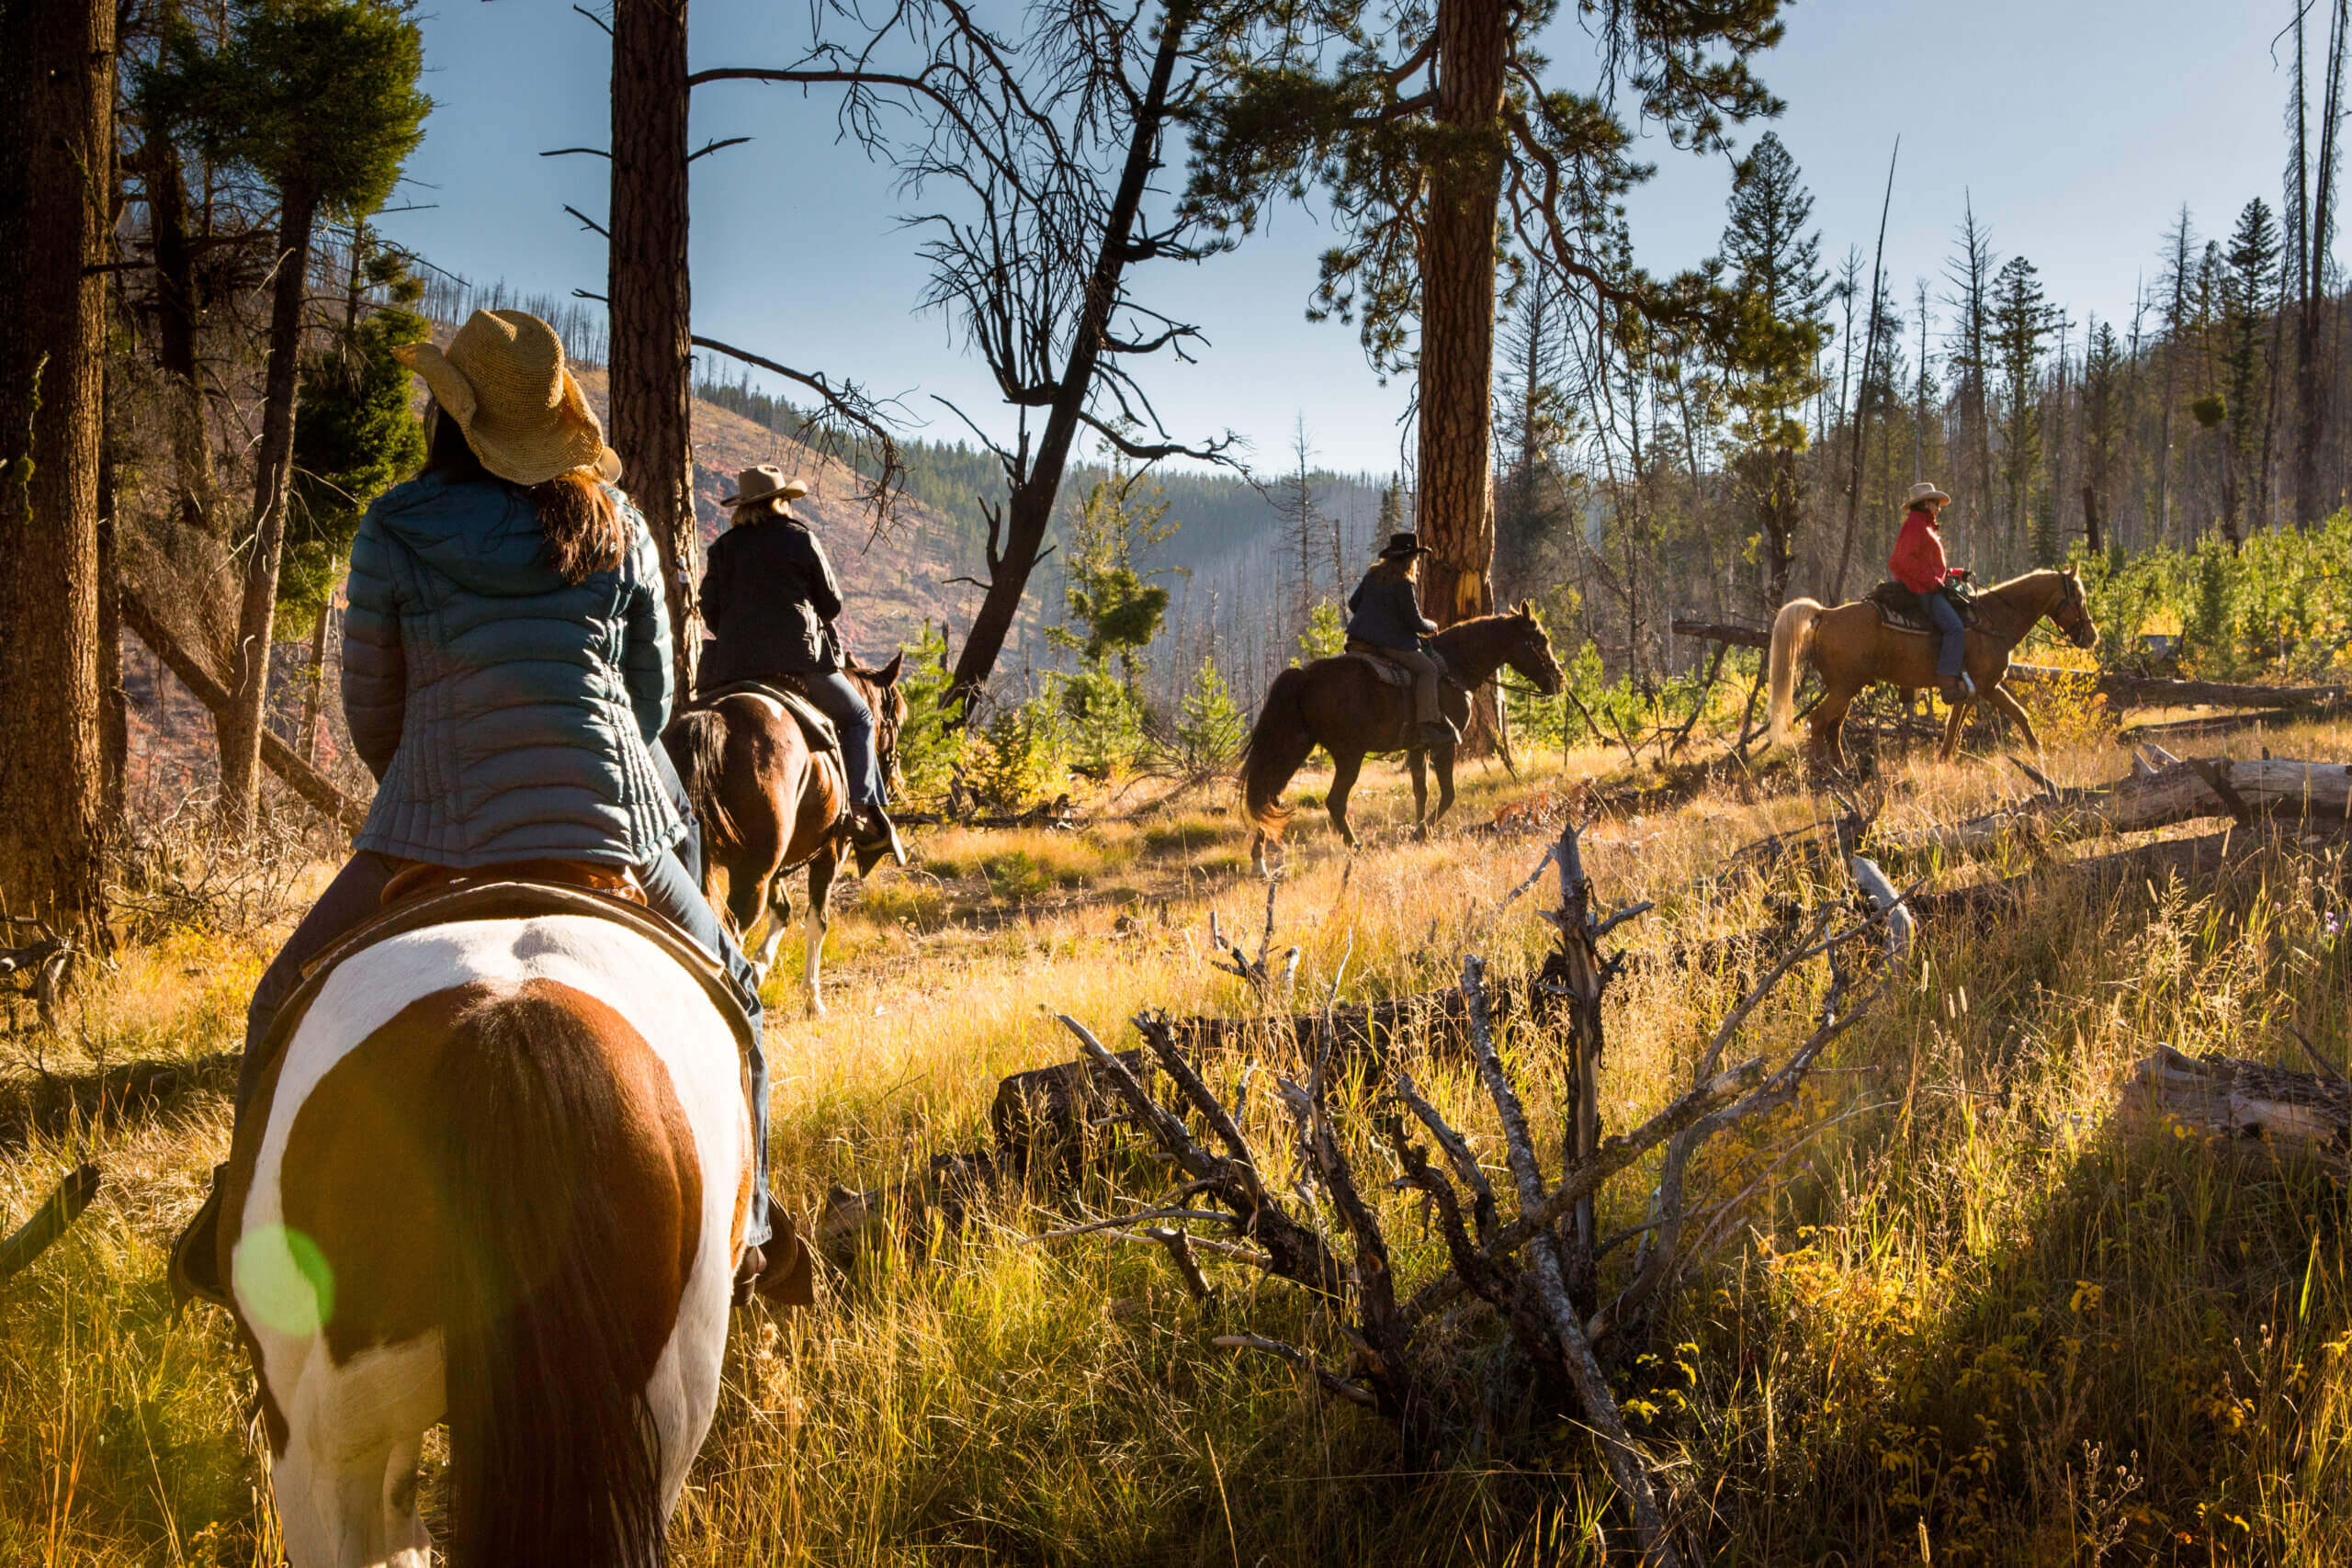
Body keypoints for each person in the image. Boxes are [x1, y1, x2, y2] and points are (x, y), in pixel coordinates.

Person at [171, 310, 789, 1302]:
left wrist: (425, 783)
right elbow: (649, 702)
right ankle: (754, 1227)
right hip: (611, 830)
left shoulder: (395, 526)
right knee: (739, 1000)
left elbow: (371, 705)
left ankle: (234, 1221)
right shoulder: (615, 525)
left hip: (434, 827)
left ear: (449, 416)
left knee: (281, 994)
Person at [696, 463, 905, 873]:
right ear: (780, 501)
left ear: (743, 507)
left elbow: (709, 611)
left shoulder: (723, 547)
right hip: (800, 663)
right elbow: (832, 604)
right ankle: (860, 812)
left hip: (732, 667)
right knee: (860, 717)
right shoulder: (800, 538)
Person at [1345, 530, 1455, 749]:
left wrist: (1374, 617)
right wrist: (1431, 625)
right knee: (1428, 670)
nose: (1416, 560)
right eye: (1415, 556)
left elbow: (1353, 604)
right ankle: (1426, 727)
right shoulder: (1404, 583)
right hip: (1390, 645)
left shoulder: (1372, 576)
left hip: (1359, 641)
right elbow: (1415, 623)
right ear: (1408, 559)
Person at [1889, 480, 1976, 705]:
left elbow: (1931, 566)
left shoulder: (1923, 526)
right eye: (1936, 503)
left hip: (1927, 586)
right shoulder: (1916, 527)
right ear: (1926, 504)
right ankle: (1947, 684)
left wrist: (1956, 574)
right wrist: (1933, 582)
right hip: (1922, 591)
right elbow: (1902, 561)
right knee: (1955, 628)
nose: (1938, 508)